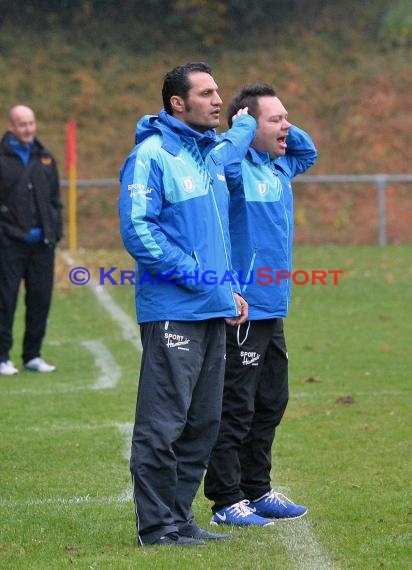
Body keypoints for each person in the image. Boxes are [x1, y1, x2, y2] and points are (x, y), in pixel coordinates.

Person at [118, 62, 257, 547]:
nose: (218, 99)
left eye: (218, 91)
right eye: (206, 93)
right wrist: (200, 279)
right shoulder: (151, 155)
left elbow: (213, 238)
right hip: (172, 311)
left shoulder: (209, 158)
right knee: (163, 425)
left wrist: (227, 289)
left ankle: (178, 520)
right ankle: (155, 529)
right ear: (178, 103)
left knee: (202, 424)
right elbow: (139, 231)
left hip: (211, 309)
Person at [204, 83, 318, 526]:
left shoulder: (278, 167)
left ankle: (258, 489)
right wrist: (246, 125)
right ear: (247, 126)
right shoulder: (235, 169)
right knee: (237, 406)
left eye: (287, 118)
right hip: (244, 306)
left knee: (271, 401)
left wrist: (279, 123)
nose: (287, 127)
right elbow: (221, 155)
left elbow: (307, 153)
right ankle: (226, 501)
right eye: (276, 120)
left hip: (275, 306)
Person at [0, 105, 62, 376]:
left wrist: (54, 232)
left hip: (42, 246)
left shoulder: (46, 158)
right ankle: (2, 356)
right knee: (5, 301)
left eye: (31, 123)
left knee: (40, 300)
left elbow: (54, 201)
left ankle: (32, 355)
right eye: (22, 124)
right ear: (11, 126)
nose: (28, 129)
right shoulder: (2, 158)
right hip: (9, 246)